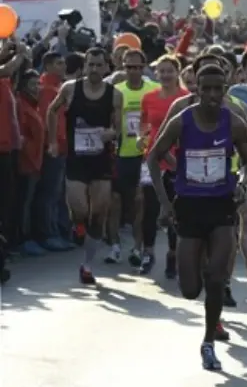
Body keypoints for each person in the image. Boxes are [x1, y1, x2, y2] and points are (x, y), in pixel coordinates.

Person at [147, 64, 247, 371]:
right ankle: (204, 272)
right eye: (204, 88)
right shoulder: (182, 122)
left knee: (217, 278)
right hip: (189, 208)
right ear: (196, 90)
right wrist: (166, 204)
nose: (210, 95)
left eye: (217, 89)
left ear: (225, 89)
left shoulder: (234, 124)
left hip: (221, 206)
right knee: (191, 289)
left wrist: (243, 185)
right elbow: (154, 157)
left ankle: (208, 341)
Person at [47, 47, 122, 285]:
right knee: (79, 210)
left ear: (106, 67)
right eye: (91, 65)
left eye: (99, 65)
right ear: (85, 66)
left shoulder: (114, 95)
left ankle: (87, 265)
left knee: (98, 213)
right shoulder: (70, 89)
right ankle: (78, 225)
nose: (95, 70)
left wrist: (111, 133)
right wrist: (52, 141)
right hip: (77, 159)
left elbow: (118, 128)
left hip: (101, 160)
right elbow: (51, 110)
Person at [137, 55, 188, 277]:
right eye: (162, 71)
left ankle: (173, 254)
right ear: (156, 74)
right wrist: (142, 138)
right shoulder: (149, 98)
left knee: (175, 208)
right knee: (149, 207)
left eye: (170, 71)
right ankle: (148, 252)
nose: (166, 75)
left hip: (178, 159)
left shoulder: (187, 98)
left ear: (178, 73)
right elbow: (144, 125)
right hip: (154, 158)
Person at [110, 48, 157, 267]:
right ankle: (115, 246)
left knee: (140, 201)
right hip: (121, 153)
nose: (134, 71)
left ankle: (137, 248)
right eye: (129, 67)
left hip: (144, 155)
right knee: (116, 202)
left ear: (144, 67)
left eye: (138, 67)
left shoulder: (154, 90)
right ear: (123, 67)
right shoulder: (115, 91)